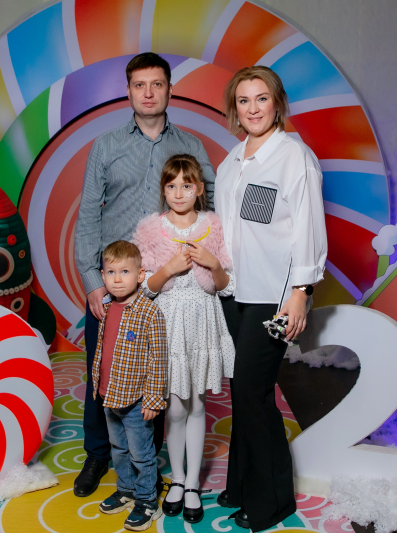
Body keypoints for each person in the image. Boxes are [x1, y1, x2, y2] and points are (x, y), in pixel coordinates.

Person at [73, 52, 216, 497]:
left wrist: (205, 264)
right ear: (129, 91)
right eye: (140, 85)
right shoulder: (106, 146)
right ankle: (98, 452)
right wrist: (92, 281)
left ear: (170, 89)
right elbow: (87, 215)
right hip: (116, 281)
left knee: (158, 371)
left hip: (170, 282)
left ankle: (149, 462)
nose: (148, 93)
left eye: (157, 84)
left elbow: (212, 208)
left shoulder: (191, 146)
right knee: (104, 370)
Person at [214, 66, 328, 531]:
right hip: (233, 291)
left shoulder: (294, 157)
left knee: (252, 390)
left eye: (261, 98)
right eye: (244, 100)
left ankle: (274, 499)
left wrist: (301, 294)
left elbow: (308, 230)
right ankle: (242, 483)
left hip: (275, 296)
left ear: (277, 103)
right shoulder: (230, 162)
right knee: (242, 390)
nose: (253, 108)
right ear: (234, 108)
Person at [132, 154, 235, 524]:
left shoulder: (214, 226)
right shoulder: (150, 230)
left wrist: (213, 264)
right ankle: (176, 477)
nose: (179, 193)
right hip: (168, 326)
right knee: (174, 408)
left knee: (197, 405)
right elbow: (143, 288)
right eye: (172, 185)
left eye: (186, 185)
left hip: (203, 323)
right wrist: (168, 269)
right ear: (163, 189)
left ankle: (192, 484)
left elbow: (225, 286)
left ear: (199, 189)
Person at [92, 240, 167, 531]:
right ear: (103, 276)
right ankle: (126, 489)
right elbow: (104, 350)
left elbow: (158, 359)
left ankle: (147, 500)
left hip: (136, 400)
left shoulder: (149, 313)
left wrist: (153, 399)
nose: (118, 279)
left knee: (141, 453)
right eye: (111, 272)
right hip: (110, 395)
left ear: (140, 275)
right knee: (118, 449)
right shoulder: (106, 308)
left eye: (125, 271)